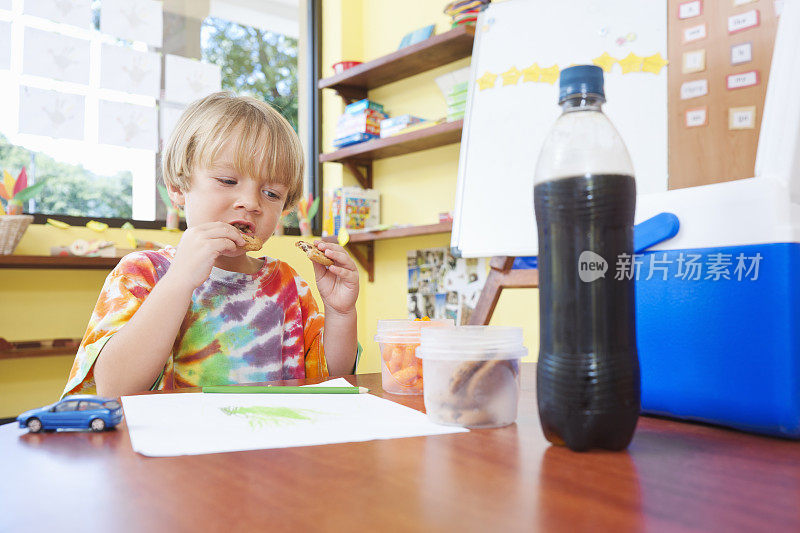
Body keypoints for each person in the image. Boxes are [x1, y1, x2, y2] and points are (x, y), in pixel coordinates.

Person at [62, 92, 359, 398]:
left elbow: (329, 381)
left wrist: (340, 313)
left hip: (271, 442)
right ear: (178, 188)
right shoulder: (143, 272)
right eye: (228, 181)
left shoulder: (289, 285)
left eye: (271, 193)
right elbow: (115, 388)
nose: (251, 203)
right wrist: (179, 280)